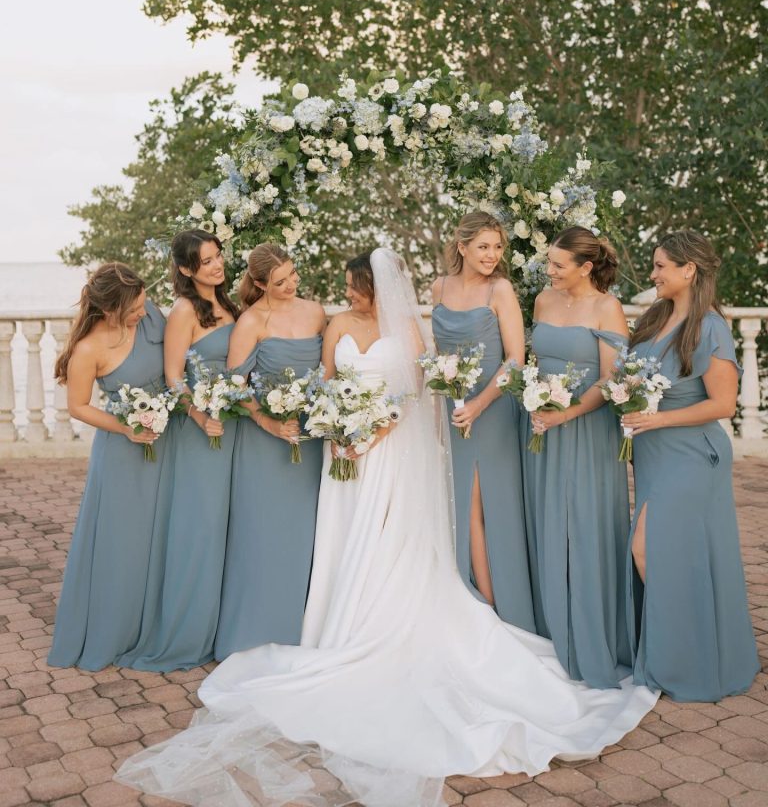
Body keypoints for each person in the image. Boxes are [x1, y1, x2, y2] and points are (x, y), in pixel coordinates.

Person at [118, 248, 657, 807]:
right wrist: (334, 421)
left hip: (391, 447)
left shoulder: (406, 327)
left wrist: (375, 429)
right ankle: (342, 619)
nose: (348, 296)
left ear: (374, 289)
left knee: (398, 533)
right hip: (344, 449)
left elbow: (419, 388)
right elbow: (326, 380)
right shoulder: (337, 325)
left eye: (354, 289)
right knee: (347, 532)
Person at [624, 229, 758, 701]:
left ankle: (683, 656)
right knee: (673, 553)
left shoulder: (711, 327)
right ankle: (683, 647)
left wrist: (657, 418)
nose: (653, 273)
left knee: (647, 548)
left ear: (689, 270)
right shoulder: (654, 318)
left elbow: (723, 404)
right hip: (654, 454)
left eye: (661, 266)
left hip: (692, 454)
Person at [118, 230, 239, 671]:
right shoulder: (185, 311)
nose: (216, 264)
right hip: (201, 433)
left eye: (218, 255)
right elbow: (174, 377)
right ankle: (190, 630)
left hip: (238, 429)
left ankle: (227, 625)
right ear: (187, 270)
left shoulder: (230, 305)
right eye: (206, 261)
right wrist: (201, 415)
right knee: (203, 528)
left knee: (232, 527)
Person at [522, 226, 632, 688]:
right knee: (546, 522)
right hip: (539, 429)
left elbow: (611, 382)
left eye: (557, 265)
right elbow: (531, 361)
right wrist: (533, 399)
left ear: (586, 267)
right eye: (548, 262)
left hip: (586, 431)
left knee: (584, 526)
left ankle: (592, 635)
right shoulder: (544, 301)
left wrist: (565, 413)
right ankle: (550, 630)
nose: (549, 271)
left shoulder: (608, 308)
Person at [48, 263, 169, 670]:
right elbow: (78, 407)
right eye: (134, 307)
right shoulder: (88, 349)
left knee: (160, 534)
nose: (144, 311)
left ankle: (155, 624)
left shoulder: (151, 315)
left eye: (143, 301)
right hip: (122, 453)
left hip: (168, 444)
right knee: (124, 541)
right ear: (110, 309)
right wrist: (127, 429)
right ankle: (115, 628)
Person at [214, 244, 326, 658]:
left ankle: (304, 629)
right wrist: (269, 421)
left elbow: (329, 369)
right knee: (263, 535)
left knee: (308, 533)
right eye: (280, 282)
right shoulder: (250, 322)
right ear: (259, 284)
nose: (291, 285)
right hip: (265, 446)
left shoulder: (315, 312)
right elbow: (234, 388)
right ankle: (257, 630)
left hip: (309, 441)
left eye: (294, 275)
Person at [431, 211, 534, 630]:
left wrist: (479, 403)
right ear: (462, 247)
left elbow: (516, 359)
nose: (492, 255)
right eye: (483, 247)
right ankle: (476, 603)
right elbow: (439, 353)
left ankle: (498, 611)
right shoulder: (438, 286)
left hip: (493, 410)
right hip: (453, 409)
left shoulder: (501, 289)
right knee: (461, 504)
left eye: (497, 247)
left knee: (487, 503)